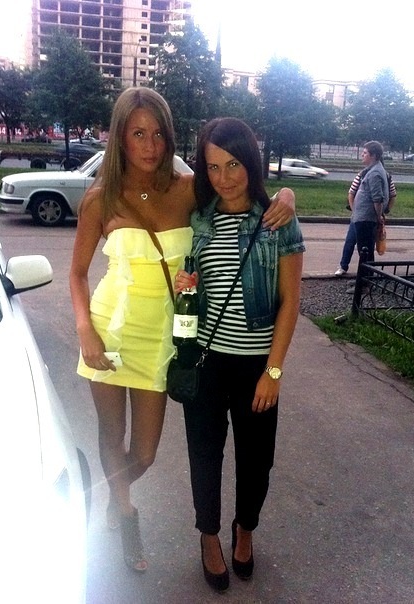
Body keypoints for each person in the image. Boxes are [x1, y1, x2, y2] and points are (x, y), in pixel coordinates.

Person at [69, 88, 296, 573]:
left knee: (145, 452)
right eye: (138, 134)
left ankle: (116, 489)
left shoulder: (190, 188)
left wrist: (286, 196)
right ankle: (124, 511)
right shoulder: (99, 199)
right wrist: (85, 328)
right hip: (110, 330)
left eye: (158, 134)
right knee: (112, 434)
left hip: (164, 340)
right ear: (120, 138)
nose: (150, 146)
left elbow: (240, 186)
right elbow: (77, 274)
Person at [175, 117, 305, 592]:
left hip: (256, 367)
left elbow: (290, 301)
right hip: (206, 361)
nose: (224, 177)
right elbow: (198, 288)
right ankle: (209, 535)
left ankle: (244, 528)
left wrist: (274, 371)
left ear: (250, 161)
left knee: (256, 460)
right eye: (213, 167)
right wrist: (187, 286)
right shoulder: (200, 218)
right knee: (204, 454)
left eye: (233, 164)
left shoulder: (277, 219)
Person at [334, 167, 397, 276]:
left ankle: (365, 272)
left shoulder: (385, 176)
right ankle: (345, 266)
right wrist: (355, 211)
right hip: (361, 215)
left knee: (365, 245)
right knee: (352, 241)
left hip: (370, 217)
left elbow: (392, 195)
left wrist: (384, 211)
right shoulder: (363, 174)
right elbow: (351, 193)